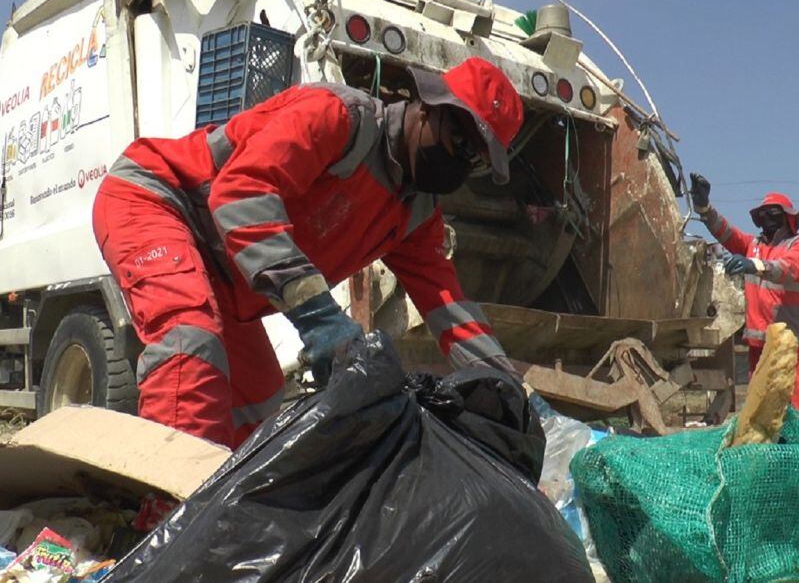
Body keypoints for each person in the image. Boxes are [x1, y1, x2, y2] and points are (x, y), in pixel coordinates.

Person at [92, 57, 524, 448]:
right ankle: (165, 518)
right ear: (429, 107)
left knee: (259, 402)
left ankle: (215, 514)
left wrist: (509, 391)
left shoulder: (414, 215)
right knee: (191, 348)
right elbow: (240, 197)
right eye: (462, 144)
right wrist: (320, 319)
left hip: (223, 268)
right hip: (160, 200)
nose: (463, 165)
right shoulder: (338, 116)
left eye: (477, 161)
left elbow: (450, 310)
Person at [689, 173, 799, 411]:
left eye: (774, 213)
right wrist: (704, 208)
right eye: (763, 215)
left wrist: (754, 265)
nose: (768, 219)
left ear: (788, 218)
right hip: (760, 348)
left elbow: (787, 268)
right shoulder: (754, 245)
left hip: (794, 348)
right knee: (761, 414)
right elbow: (726, 233)